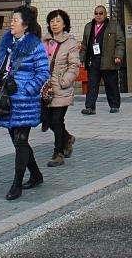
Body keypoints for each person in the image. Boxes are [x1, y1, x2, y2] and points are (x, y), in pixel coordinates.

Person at [0, 6, 50, 200]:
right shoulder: (6, 42)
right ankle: (36, 174)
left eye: (15, 20)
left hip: (25, 102)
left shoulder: (35, 45)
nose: (11, 24)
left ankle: (17, 184)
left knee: (21, 140)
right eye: (11, 20)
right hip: (7, 99)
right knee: (17, 142)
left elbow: (43, 72)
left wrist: (27, 90)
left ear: (25, 24)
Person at [41, 9, 80, 167]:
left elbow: (74, 65)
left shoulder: (70, 43)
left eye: (58, 21)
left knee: (57, 120)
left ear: (65, 23)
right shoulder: (44, 42)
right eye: (52, 21)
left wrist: (65, 81)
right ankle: (68, 138)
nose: (54, 24)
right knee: (47, 120)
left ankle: (58, 153)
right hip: (46, 88)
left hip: (62, 87)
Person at [80, 5, 123, 114]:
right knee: (92, 85)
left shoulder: (113, 26)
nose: (98, 15)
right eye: (96, 13)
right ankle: (90, 107)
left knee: (111, 84)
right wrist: (82, 58)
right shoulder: (88, 26)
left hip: (108, 60)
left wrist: (118, 55)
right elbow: (84, 44)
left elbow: (120, 42)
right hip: (93, 60)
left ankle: (114, 105)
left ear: (105, 14)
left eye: (101, 13)